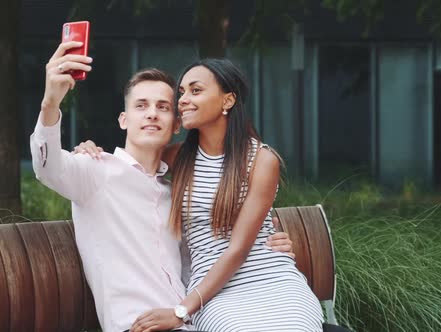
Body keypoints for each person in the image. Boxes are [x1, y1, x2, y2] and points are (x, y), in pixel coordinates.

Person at [30, 42, 294, 332]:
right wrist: (50, 103)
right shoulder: (94, 173)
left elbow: (214, 244)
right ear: (124, 119)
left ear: (176, 124)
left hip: (196, 321)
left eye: (163, 107)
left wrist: (270, 238)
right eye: (141, 106)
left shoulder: (178, 191)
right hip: (140, 326)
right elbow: (48, 167)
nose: (152, 114)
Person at [128, 59, 325, 332]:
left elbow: (239, 249)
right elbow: (126, 159)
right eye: (182, 93)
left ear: (228, 100)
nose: (183, 100)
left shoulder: (261, 160)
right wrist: (88, 149)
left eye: (195, 91)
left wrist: (180, 311)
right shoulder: (176, 157)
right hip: (213, 295)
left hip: (274, 282)